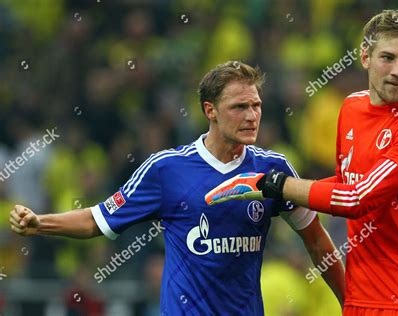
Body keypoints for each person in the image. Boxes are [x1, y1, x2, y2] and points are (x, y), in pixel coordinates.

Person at [10, 61, 345, 315]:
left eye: (256, 105)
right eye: (239, 107)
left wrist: (351, 303)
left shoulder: (273, 168)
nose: (251, 116)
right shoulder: (166, 169)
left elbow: (316, 241)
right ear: (210, 111)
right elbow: (97, 220)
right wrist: (41, 223)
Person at [206, 10, 398, 316]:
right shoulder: (351, 107)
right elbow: (344, 183)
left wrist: (274, 184)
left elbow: (356, 198)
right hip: (360, 299)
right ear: (365, 57)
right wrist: (273, 189)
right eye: (387, 57)